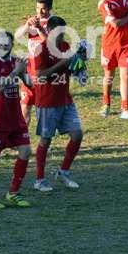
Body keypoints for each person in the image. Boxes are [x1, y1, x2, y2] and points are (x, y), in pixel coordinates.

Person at [31, 16, 84, 192]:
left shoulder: (65, 46)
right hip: (47, 101)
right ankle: (39, 179)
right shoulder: (41, 49)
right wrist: (62, 63)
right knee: (45, 140)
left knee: (77, 134)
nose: (62, 37)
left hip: (65, 100)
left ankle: (64, 171)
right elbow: (40, 75)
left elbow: (72, 69)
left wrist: (80, 61)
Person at [0, 31, 32, 209]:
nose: (3, 46)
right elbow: (0, 86)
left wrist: (23, 72)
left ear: (11, 45)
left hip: (15, 118)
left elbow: (30, 84)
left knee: (26, 151)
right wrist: (16, 71)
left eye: (6, 44)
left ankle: (13, 192)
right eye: (0, 44)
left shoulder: (15, 61)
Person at [14, 0, 54, 126]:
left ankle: (46, 137)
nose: (39, 12)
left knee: (43, 112)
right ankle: (22, 137)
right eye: (37, 8)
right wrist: (27, 25)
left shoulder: (54, 23)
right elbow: (17, 35)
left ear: (50, 8)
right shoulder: (34, 20)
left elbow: (51, 44)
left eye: (43, 9)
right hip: (29, 73)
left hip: (44, 74)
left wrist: (39, 29)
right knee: (24, 108)